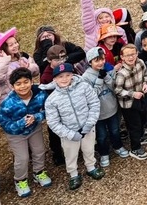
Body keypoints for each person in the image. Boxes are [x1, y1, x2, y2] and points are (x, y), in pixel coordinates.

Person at [43, 62, 105, 191]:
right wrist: (70, 134)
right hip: (69, 133)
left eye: (67, 75)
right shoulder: (51, 99)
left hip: (87, 127)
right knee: (70, 154)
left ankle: (91, 167)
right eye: (60, 76)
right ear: (55, 79)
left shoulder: (84, 87)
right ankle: (73, 174)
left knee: (89, 149)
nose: (64, 79)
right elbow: (53, 122)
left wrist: (90, 123)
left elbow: (94, 103)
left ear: (72, 75)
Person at [0, 67, 52, 198]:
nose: (23, 86)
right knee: (22, 157)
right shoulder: (7, 103)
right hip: (16, 134)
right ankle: (20, 180)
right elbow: (2, 122)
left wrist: (37, 117)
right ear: (13, 86)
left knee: (39, 150)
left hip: (34, 128)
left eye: (26, 82)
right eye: (18, 84)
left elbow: (49, 110)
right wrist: (20, 124)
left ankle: (39, 172)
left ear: (32, 81)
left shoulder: (40, 94)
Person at [80, 48, 128, 168]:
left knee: (115, 130)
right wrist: (100, 80)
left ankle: (118, 146)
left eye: (102, 59)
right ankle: (104, 153)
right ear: (90, 62)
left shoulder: (107, 70)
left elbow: (114, 88)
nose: (100, 63)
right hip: (98, 113)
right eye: (96, 60)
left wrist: (106, 77)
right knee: (101, 135)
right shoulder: (86, 77)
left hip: (111, 108)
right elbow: (91, 95)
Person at [113, 44, 147, 160]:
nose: (131, 57)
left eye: (133, 54)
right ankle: (135, 148)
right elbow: (117, 91)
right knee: (134, 125)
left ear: (137, 54)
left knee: (143, 118)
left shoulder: (140, 63)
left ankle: (140, 137)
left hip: (141, 97)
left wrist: (145, 83)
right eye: (127, 55)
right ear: (122, 57)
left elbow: (146, 74)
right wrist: (132, 94)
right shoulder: (121, 73)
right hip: (128, 104)